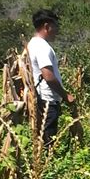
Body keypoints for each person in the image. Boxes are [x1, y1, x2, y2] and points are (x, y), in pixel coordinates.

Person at [28, 9, 75, 147]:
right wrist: (65, 95)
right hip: (47, 100)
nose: (57, 30)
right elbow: (48, 76)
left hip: (39, 98)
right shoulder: (43, 47)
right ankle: (46, 167)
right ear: (47, 26)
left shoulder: (31, 44)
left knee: (40, 137)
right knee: (48, 140)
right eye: (55, 26)